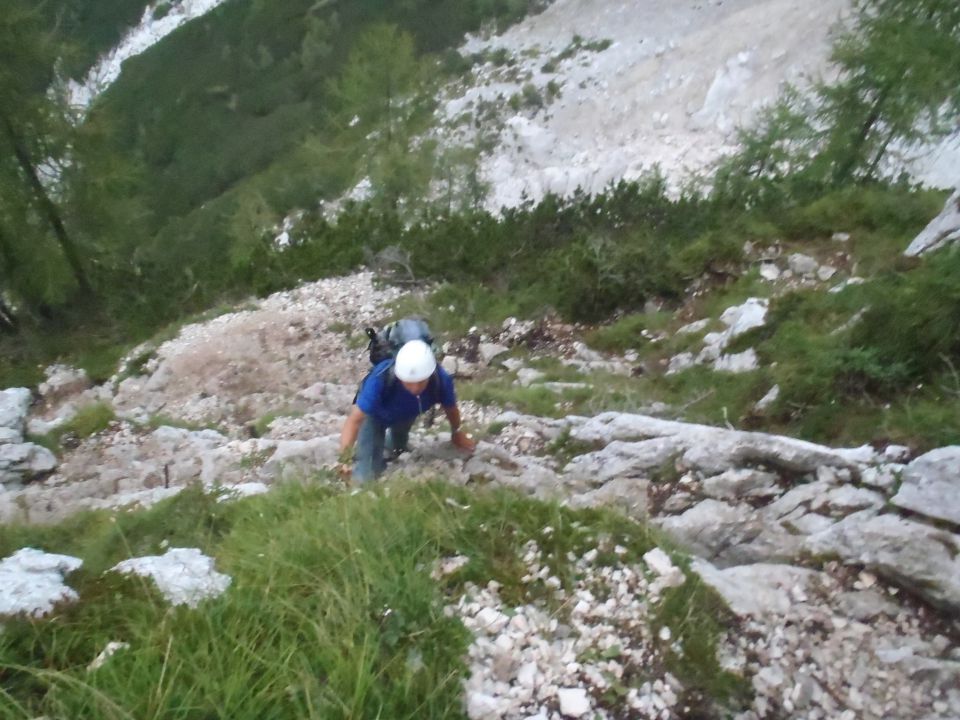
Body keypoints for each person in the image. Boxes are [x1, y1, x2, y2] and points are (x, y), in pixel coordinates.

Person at [338, 339, 476, 482]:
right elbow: (354, 421)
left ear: (429, 374)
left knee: (398, 448)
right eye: (409, 382)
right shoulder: (380, 380)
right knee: (367, 475)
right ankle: (366, 464)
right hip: (374, 417)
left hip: (407, 414)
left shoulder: (441, 380)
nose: (415, 388)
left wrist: (456, 432)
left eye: (421, 382)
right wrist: (344, 459)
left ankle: (388, 449)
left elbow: (451, 408)